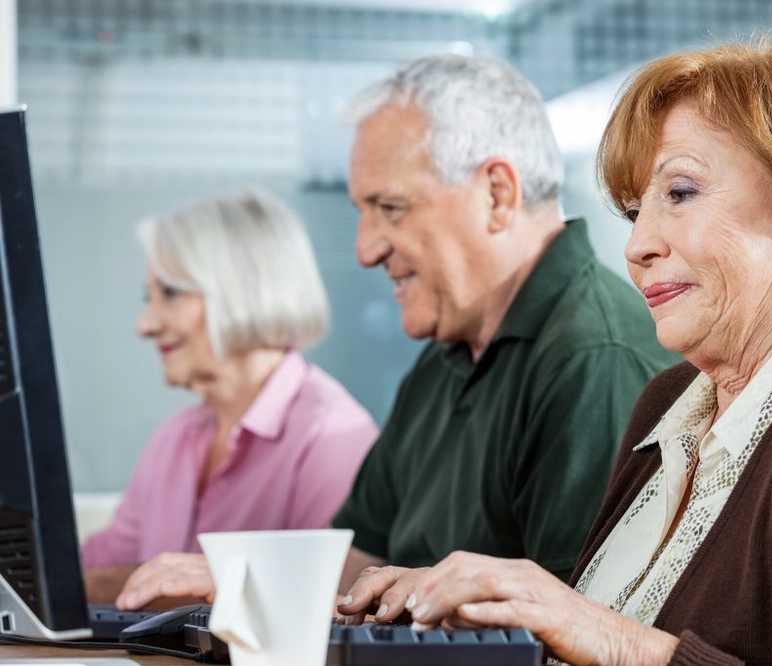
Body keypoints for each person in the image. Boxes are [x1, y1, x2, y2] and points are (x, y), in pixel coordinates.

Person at [335, 41, 772, 664]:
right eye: (634, 210)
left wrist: (619, 644)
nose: (638, 245)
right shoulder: (671, 403)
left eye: (680, 194)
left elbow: (607, 641)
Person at [113, 54, 675, 611]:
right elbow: (363, 558)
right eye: (363, 211)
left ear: (497, 195)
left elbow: (569, 629)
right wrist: (232, 575)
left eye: (390, 207)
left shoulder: (594, 359)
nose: (365, 249)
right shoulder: (445, 357)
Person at [82, 189, 378, 603]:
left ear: (241, 289)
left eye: (170, 293)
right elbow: (94, 568)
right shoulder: (176, 437)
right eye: (149, 298)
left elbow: (328, 601)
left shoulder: (331, 435)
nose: (145, 325)